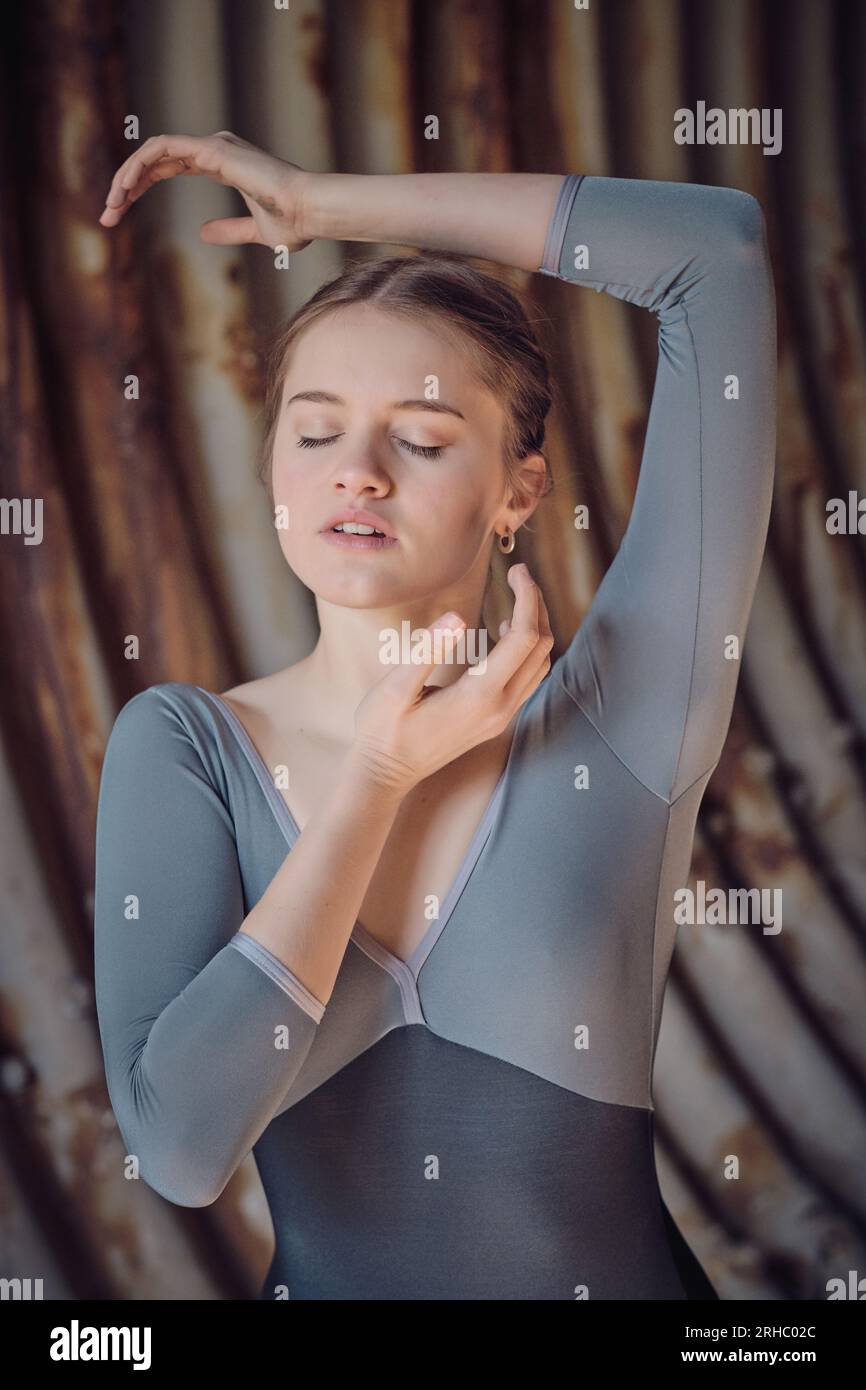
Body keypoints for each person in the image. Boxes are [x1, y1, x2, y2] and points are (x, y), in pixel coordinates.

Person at [94, 134, 776, 1299]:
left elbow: (714, 254)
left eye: (416, 437)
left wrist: (320, 201)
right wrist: (373, 780)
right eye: (314, 432)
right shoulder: (185, 749)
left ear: (519, 490)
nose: (355, 470)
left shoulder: (619, 719)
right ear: (274, 476)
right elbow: (179, 1151)